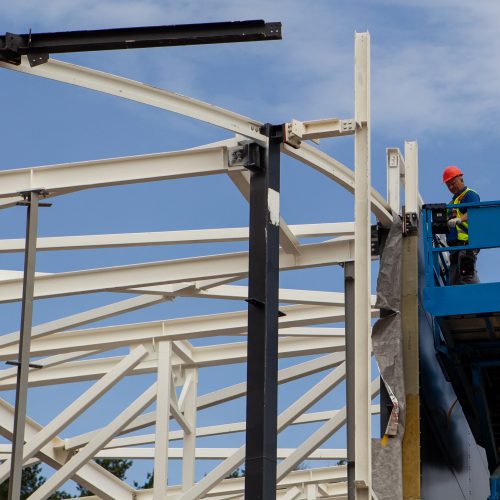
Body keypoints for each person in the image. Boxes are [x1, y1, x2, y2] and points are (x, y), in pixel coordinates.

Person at [442, 166, 480, 285]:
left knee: (467, 275)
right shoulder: (452, 203)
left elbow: (474, 212)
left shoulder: (470, 195)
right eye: (449, 186)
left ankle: (481, 299)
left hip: (466, 244)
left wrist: (460, 219)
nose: (452, 187)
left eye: (453, 183)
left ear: (461, 180)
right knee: (453, 281)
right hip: (454, 248)